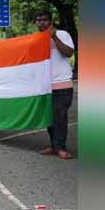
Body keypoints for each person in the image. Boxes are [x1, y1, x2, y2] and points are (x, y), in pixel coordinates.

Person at [36, 10, 75, 159]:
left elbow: (69, 52)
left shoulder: (63, 34)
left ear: (51, 21)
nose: (42, 23)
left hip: (62, 84)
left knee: (60, 117)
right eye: (39, 20)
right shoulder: (36, 38)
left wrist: (54, 37)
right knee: (49, 117)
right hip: (45, 86)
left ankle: (61, 147)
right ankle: (54, 145)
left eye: (44, 20)